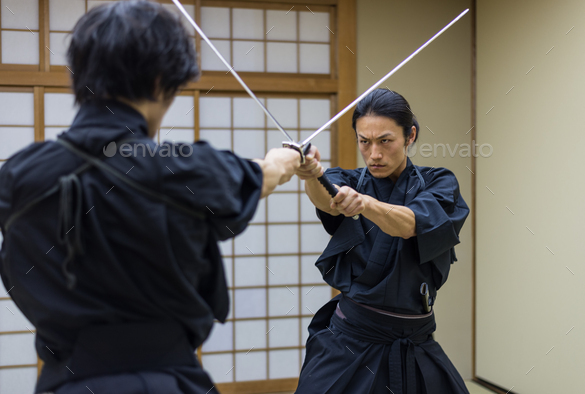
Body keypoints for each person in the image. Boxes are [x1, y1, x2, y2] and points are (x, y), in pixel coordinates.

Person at [0, 2, 301, 393]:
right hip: (165, 381)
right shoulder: (183, 168)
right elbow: (266, 173)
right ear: (162, 80)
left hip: (65, 381)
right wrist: (288, 157)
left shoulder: (17, 177)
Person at [294, 88, 470, 394]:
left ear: (409, 135)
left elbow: (411, 224)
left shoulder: (440, 182)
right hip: (351, 338)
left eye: (385, 141)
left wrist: (364, 204)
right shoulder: (348, 180)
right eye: (365, 141)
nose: (374, 154)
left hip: (416, 339)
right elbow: (327, 199)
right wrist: (312, 176)